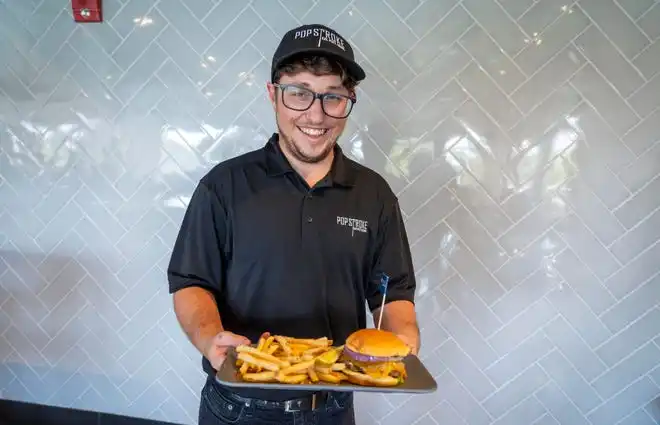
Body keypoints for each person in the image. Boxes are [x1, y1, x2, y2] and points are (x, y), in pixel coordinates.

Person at [167, 23, 420, 425]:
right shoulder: (223, 186)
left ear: (349, 100)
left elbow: (392, 290)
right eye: (299, 93)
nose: (315, 114)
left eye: (333, 96)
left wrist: (402, 337)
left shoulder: (374, 194)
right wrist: (208, 338)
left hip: (332, 406)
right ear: (273, 96)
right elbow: (191, 281)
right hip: (240, 406)